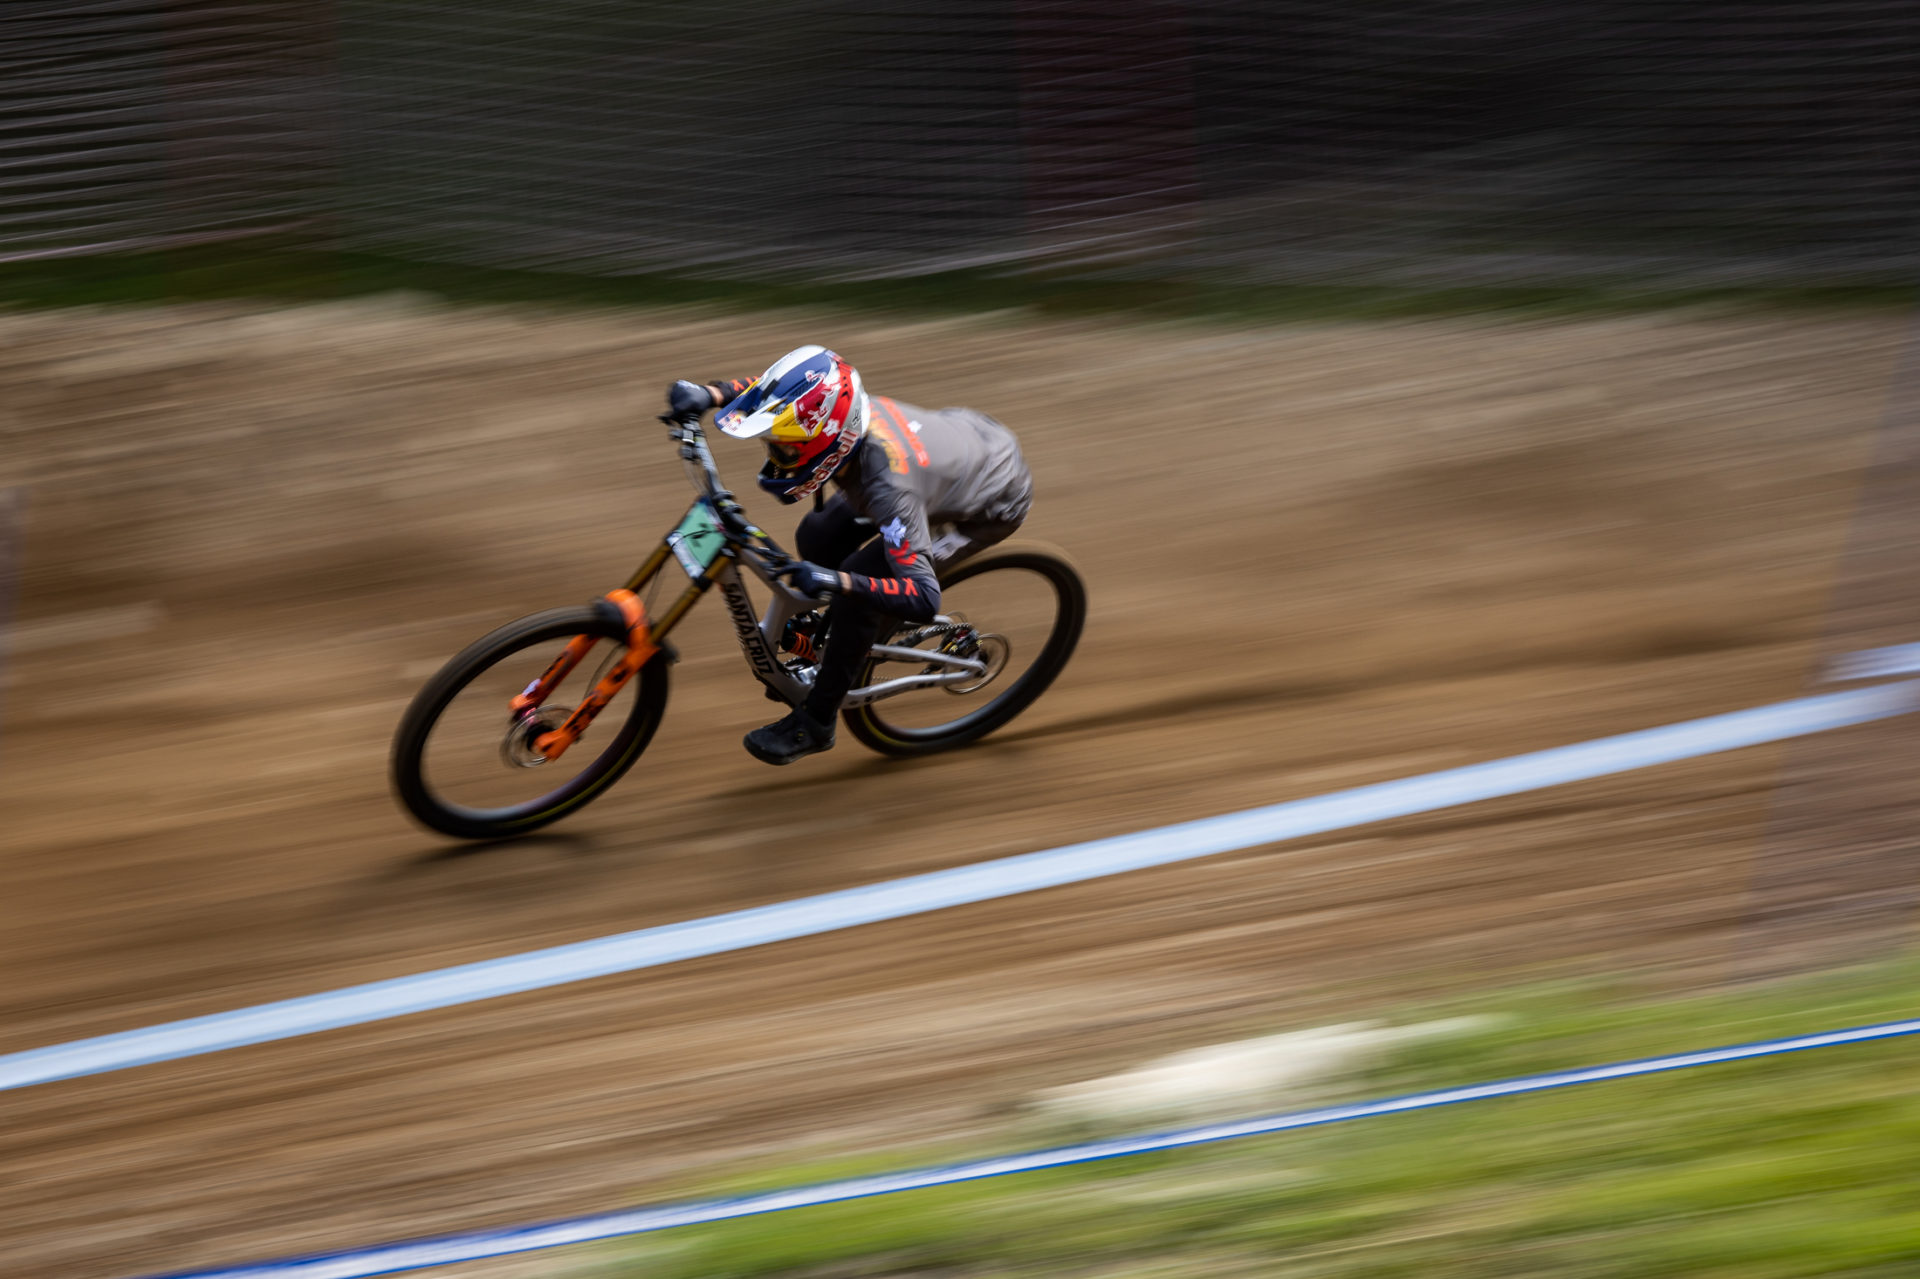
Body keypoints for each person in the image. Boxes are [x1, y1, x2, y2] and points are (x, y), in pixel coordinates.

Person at [665, 345, 1032, 765]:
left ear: (827, 439)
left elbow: (924, 597)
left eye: (786, 448)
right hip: (957, 452)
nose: (776, 455)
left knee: (856, 587)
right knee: (817, 535)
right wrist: (710, 394)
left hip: (991, 504)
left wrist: (836, 583)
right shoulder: (841, 416)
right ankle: (835, 640)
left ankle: (817, 720)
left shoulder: (889, 490)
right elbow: (775, 395)